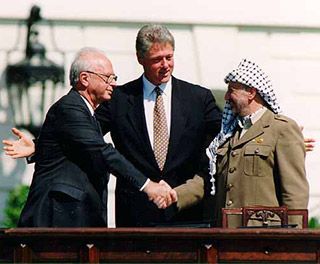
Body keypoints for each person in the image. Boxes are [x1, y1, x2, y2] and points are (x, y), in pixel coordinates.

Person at [3, 47, 172, 227]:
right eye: (108, 78)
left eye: (114, 78)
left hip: (78, 219)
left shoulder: (87, 113)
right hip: (57, 220)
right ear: (85, 79)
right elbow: (101, 151)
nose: (113, 84)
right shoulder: (70, 108)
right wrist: (148, 186)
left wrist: (39, 147)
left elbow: (72, 145)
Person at [206, 58, 309, 227]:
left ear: (251, 93)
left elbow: (295, 194)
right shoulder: (229, 133)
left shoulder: (282, 128)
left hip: (264, 239)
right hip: (225, 237)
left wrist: (292, 240)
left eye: (231, 91)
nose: (226, 97)